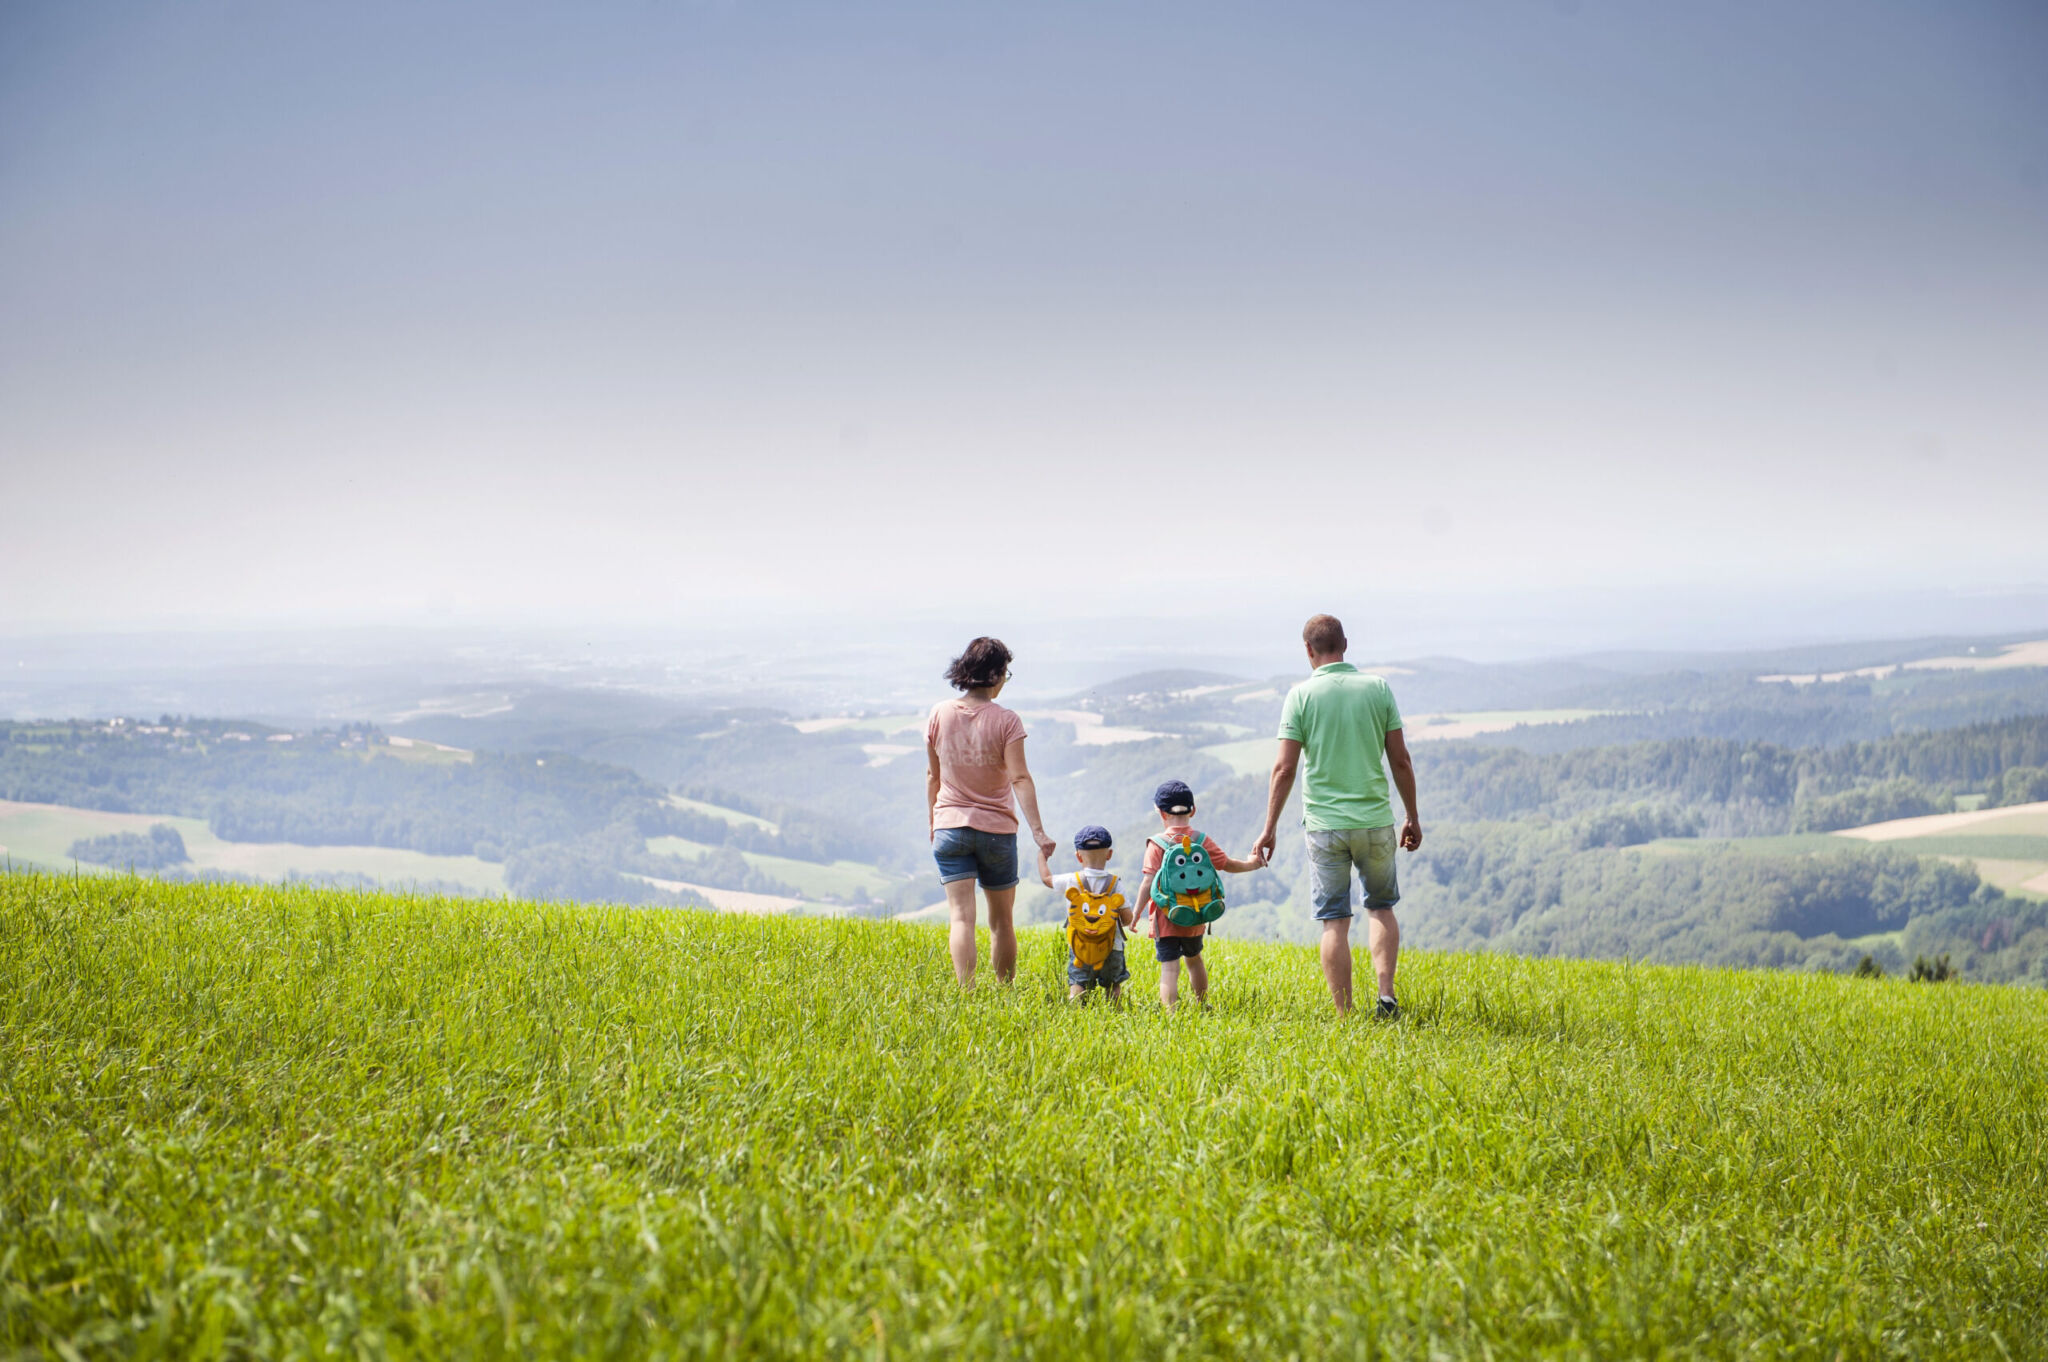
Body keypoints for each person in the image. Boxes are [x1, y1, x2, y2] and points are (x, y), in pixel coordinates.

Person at [1254, 614, 1421, 1018]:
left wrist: (1270, 827)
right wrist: (1412, 816)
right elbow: (1399, 760)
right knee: (1380, 908)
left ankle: (1345, 1017)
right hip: (1375, 820)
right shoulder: (1378, 688)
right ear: (1346, 643)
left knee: (1334, 921)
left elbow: (1284, 769)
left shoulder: (1300, 696)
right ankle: (1385, 997)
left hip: (1325, 827)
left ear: (1308, 650)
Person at [926, 636, 1057, 986]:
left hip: (949, 827)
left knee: (960, 918)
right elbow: (1020, 777)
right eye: (1006, 673)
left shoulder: (939, 713)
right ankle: (1003, 991)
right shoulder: (1007, 721)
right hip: (996, 831)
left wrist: (933, 823)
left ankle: (966, 994)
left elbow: (932, 776)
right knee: (1001, 921)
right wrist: (1039, 833)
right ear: (996, 673)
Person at [1138, 779, 1261, 1010]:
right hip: (1195, 914)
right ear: (1193, 810)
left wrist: (1136, 914)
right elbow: (1227, 864)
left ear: (1160, 812)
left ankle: (1171, 1015)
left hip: (1166, 917)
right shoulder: (1201, 841)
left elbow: (1147, 883)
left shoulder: (1156, 844)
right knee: (1195, 961)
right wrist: (1252, 864)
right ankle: (1202, 1004)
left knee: (1170, 968)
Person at [1037, 825, 1134, 1005]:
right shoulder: (1115, 884)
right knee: (1113, 986)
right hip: (1112, 946)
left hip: (1080, 946)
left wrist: (1042, 856)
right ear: (1109, 854)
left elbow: (1047, 879)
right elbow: (1128, 919)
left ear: (1078, 856)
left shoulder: (1072, 880)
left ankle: (1076, 1012)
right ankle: (1114, 1014)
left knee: (1078, 983)